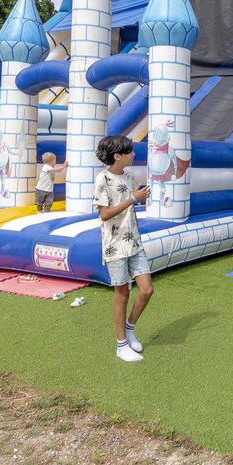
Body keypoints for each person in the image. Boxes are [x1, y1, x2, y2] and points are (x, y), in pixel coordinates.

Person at [93, 135, 153, 363]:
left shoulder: (130, 175)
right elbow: (105, 214)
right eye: (129, 152)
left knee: (146, 290)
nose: (134, 154)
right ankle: (121, 346)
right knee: (123, 294)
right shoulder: (103, 179)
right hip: (114, 246)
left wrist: (143, 195)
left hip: (134, 242)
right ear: (117, 156)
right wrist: (133, 199)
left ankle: (129, 329)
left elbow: (134, 199)